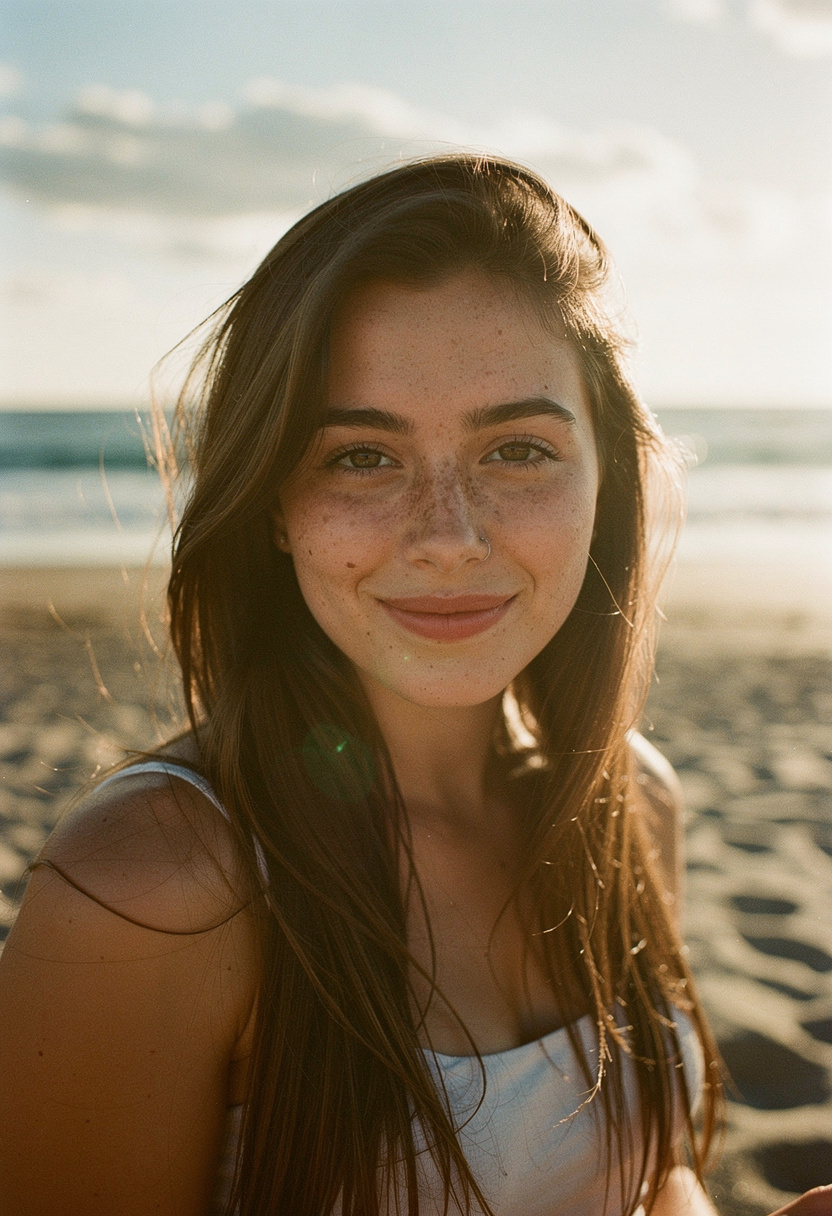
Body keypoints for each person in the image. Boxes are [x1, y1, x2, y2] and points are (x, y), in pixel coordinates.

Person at [0, 155, 828, 1216]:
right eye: (360, 458)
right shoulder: (156, 887)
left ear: (605, 477)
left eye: (517, 448)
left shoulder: (629, 803)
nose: (447, 536)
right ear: (271, 504)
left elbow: (645, 1182)